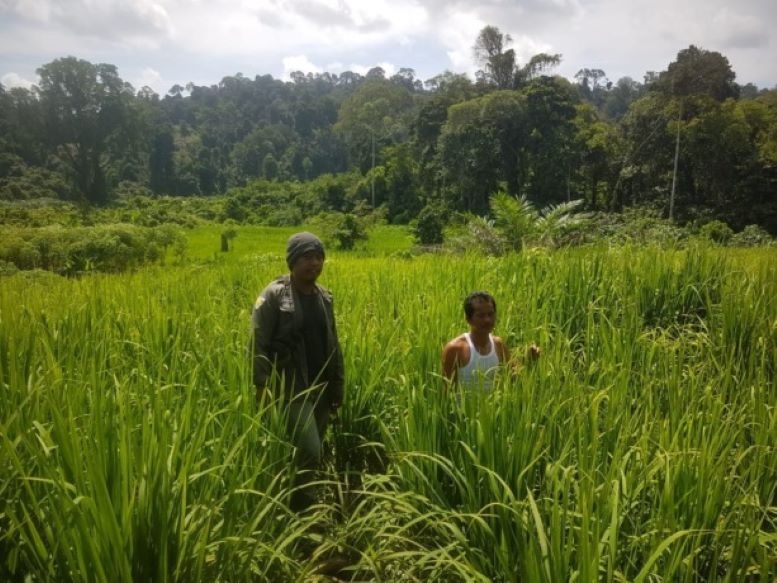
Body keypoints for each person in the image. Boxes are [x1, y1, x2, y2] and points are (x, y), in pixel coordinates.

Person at [251, 232, 344, 511]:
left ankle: (297, 501)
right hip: (292, 387)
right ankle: (302, 509)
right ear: (292, 261)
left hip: (321, 386)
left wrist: (337, 387)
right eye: (307, 257)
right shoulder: (274, 296)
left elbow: (333, 343)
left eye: (319, 257)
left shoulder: (324, 297)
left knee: (310, 451)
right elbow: (257, 343)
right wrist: (261, 385)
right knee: (310, 451)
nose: (314, 263)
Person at [442, 291, 539, 391]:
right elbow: (446, 391)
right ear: (468, 319)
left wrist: (529, 360)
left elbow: (514, 376)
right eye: (480, 315)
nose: (487, 320)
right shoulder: (455, 349)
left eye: (491, 314)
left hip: (494, 401)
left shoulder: (498, 344)